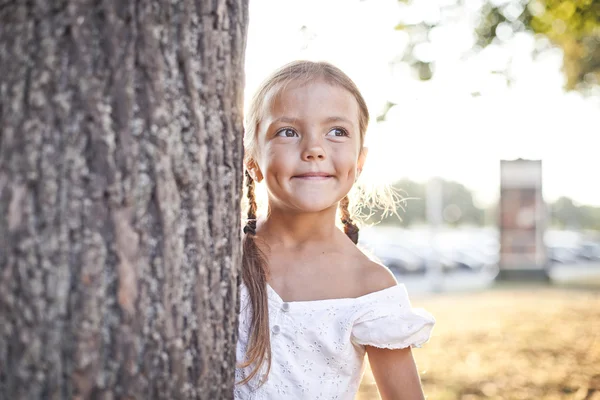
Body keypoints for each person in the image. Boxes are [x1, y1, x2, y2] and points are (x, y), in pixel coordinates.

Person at [235, 60, 435, 400]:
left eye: (337, 132)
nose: (314, 149)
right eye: (288, 131)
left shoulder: (369, 285)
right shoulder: (222, 260)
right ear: (252, 159)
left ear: (359, 162)